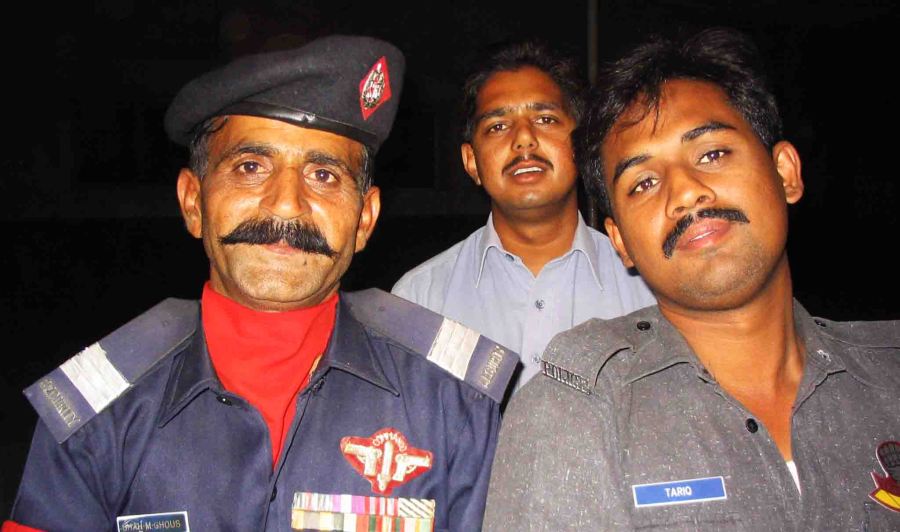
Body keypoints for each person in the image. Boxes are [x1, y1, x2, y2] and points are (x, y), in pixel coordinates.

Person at [5, 34, 518, 532]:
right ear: (193, 201)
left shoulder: (453, 401)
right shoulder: (98, 412)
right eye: (250, 166)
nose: (286, 204)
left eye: (323, 175)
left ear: (365, 218)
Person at [483, 27, 900, 530]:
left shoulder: (889, 375)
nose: (683, 192)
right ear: (620, 240)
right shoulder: (577, 408)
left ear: (785, 172)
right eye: (644, 182)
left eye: (712, 154)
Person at [392, 41, 655, 394]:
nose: (524, 139)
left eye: (545, 119)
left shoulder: (649, 288)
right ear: (471, 162)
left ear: (581, 146)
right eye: (498, 126)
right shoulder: (419, 299)